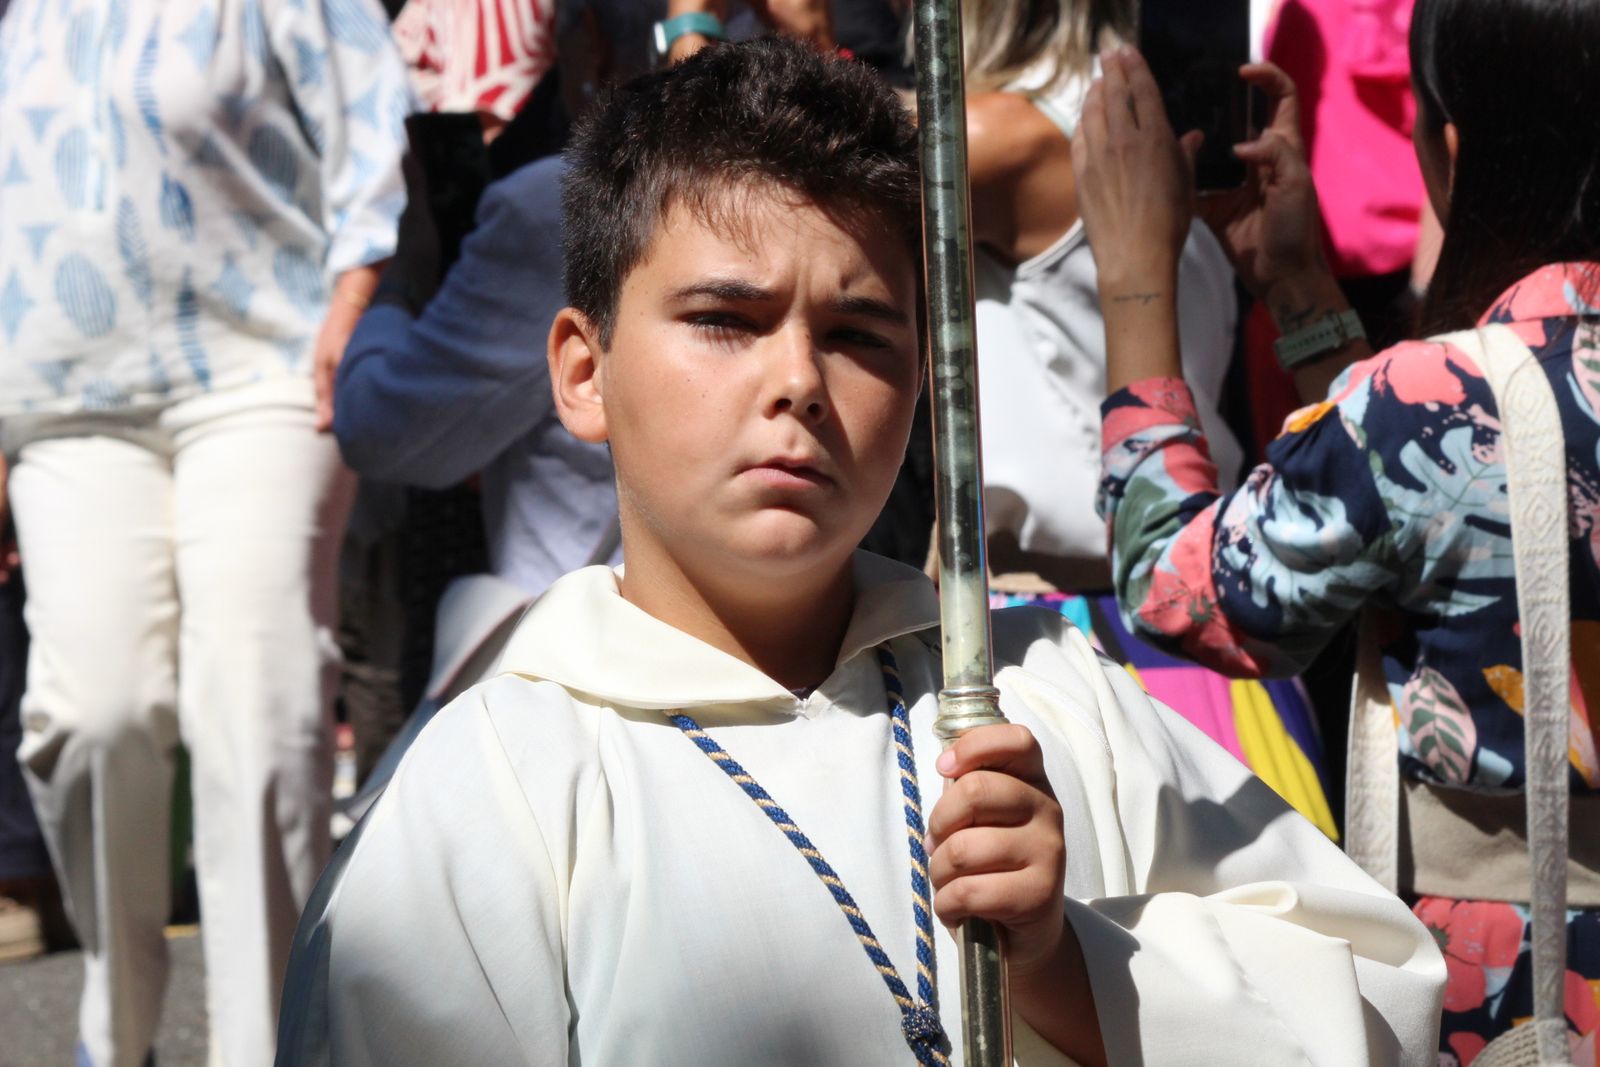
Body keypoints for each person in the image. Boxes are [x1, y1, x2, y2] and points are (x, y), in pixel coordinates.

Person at [283, 38, 1444, 1066]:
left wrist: (1067, 966)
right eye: (725, 321)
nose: (797, 382)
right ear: (583, 373)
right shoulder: (489, 790)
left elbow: (1377, 999)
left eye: (856, 334)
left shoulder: (1041, 693)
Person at [1070, 3, 1600, 1058]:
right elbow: (1415, 510)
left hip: (1515, 993)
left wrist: (1136, 279)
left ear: (1450, 147)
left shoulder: (1429, 395)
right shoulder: (1435, 394)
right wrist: (1306, 294)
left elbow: (1177, 586)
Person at [0, 0, 410, 1063]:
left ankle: (264, 1045)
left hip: (263, 369)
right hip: (59, 392)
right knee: (92, 713)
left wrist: (355, 293)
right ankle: (116, 1021)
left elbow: (368, 110)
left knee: (258, 707)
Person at [949, 0, 1333, 834]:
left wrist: (698, 24)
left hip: (1071, 644)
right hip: (1218, 662)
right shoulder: (1154, 123)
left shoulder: (1002, 137)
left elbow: (754, 163)